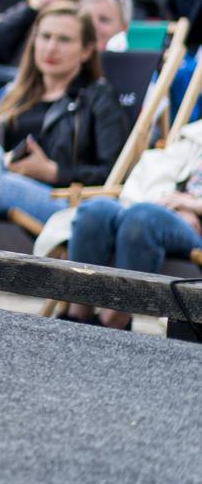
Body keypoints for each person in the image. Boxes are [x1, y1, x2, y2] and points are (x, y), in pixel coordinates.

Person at [0, 2, 128, 298]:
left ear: (86, 51)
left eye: (64, 39)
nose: (51, 47)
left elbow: (113, 173)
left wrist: (55, 171)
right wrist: (5, 161)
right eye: (44, 37)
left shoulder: (98, 98)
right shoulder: (15, 92)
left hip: (60, 201)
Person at [65, 115, 202, 327]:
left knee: (143, 217)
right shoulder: (195, 135)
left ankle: (115, 319)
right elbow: (163, 173)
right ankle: (77, 314)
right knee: (96, 209)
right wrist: (172, 201)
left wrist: (191, 205)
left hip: (192, 227)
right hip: (165, 206)